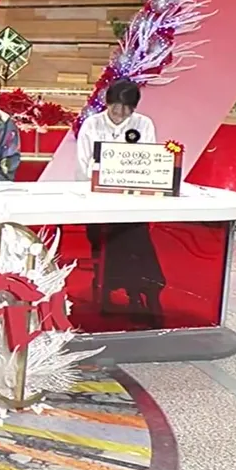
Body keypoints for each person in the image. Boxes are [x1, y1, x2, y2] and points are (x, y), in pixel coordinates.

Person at [76, 79, 166, 321]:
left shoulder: (143, 124)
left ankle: (147, 289)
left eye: (126, 107)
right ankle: (113, 287)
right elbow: (83, 167)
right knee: (109, 238)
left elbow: (147, 163)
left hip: (130, 201)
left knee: (136, 238)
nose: (120, 112)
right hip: (98, 201)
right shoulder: (92, 124)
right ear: (107, 102)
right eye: (115, 105)